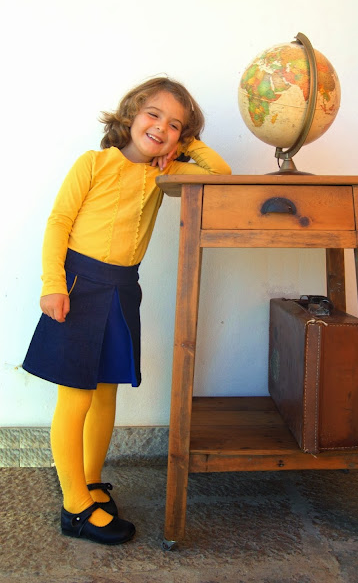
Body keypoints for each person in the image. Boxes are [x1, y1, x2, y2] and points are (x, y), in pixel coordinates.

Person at [23, 77, 231, 545]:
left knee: (105, 393)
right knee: (75, 396)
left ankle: (91, 481)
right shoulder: (93, 163)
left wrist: (185, 145)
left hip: (122, 289)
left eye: (175, 125)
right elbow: (59, 222)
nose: (161, 127)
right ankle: (74, 506)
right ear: (131, 114)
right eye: (154, 115)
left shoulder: (166, 174)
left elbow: (221, 175)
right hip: (78, 286)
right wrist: (53, 284)